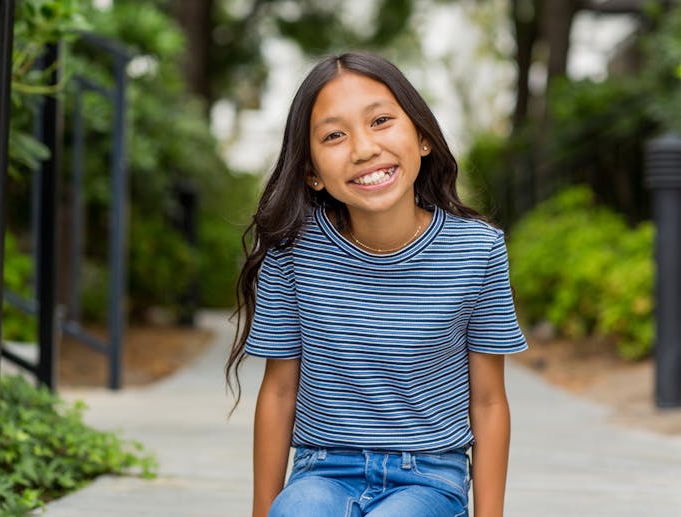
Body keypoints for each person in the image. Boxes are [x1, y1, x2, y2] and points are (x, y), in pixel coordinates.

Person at [225, 52, 528, 517]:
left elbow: (488, 401)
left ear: (423, 137)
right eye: (334, 135)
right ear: (312, 172)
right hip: (322, 471)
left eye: (381, 121)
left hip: (429, 477)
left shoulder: (476, 249)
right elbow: (279, 391)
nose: (363, 148)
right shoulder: (292, 254)